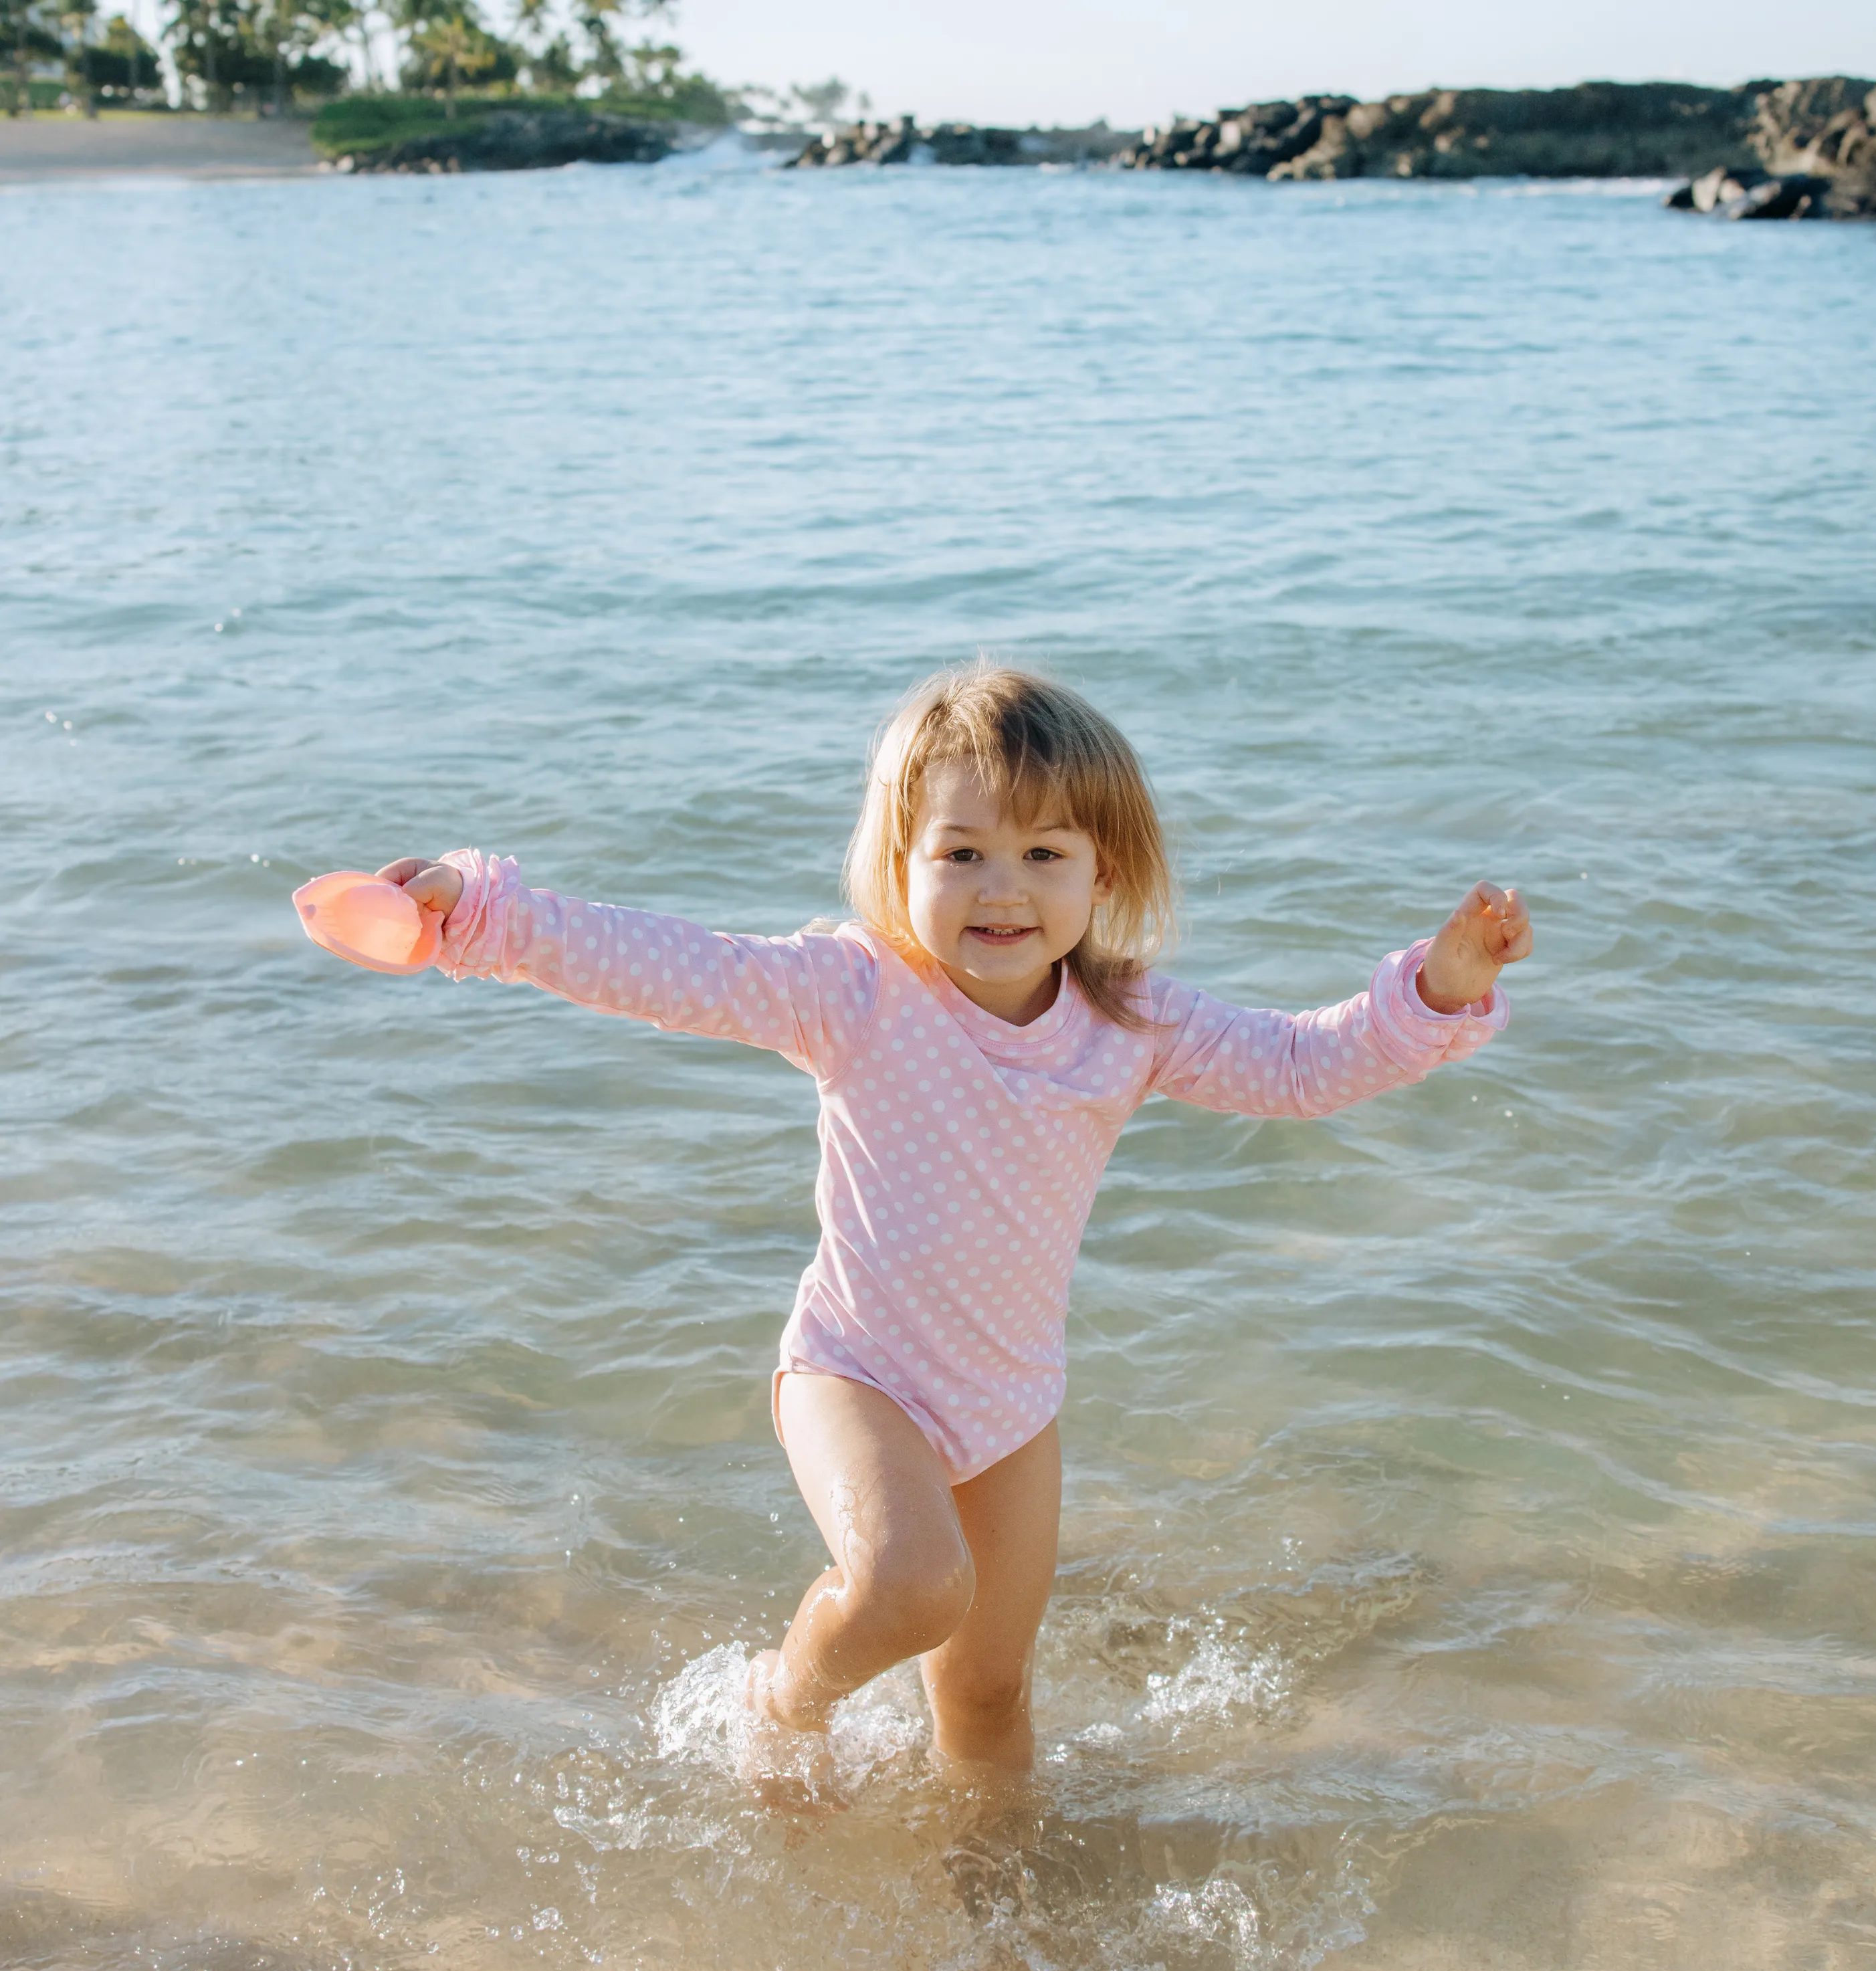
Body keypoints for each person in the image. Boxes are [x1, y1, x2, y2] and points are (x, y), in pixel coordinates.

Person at [371, 665, 1531, 1778]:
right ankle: (783, 1702)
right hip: (856, 1373)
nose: (1001, 889)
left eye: (1042, 854)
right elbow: (672, 967)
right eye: (962, 853)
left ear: (1103, 873)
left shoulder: (1132, 1026)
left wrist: (1438, 985)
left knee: (987, 1699)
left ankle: (994, 1904)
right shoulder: (858, 992)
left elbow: (1298, 1065)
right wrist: (480, 913)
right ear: (902, 862)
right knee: (914, 1586)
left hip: (1011, 1403)